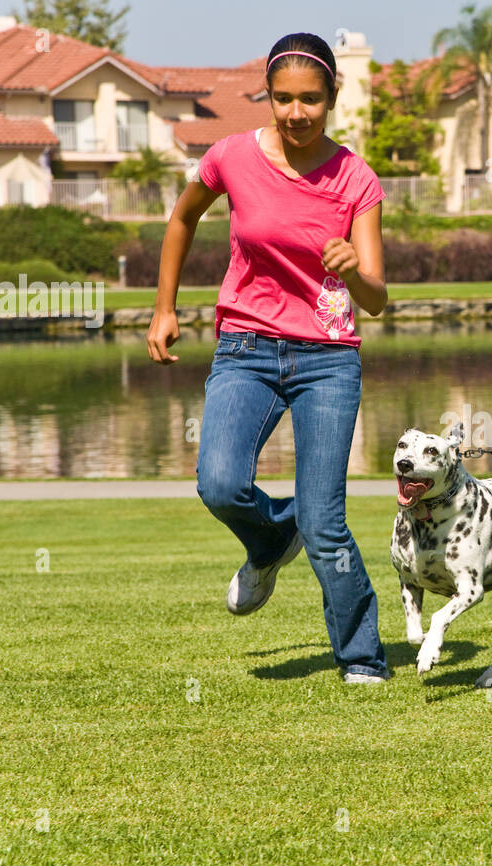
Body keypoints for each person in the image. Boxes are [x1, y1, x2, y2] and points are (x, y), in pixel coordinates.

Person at [146, 32, 392, 684]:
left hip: (328, 359)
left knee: (325, 523)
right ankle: (269, 538)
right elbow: (181, 220)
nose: (296, 112)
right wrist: (165, 306)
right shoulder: (231, 156)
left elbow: (376, 299)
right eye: (283, 98)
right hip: (246, 349)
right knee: (220, 483)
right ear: (269, 96)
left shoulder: (355, 177)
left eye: (310, 99)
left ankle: (363, 659)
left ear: (332, 97)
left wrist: (353, 269)